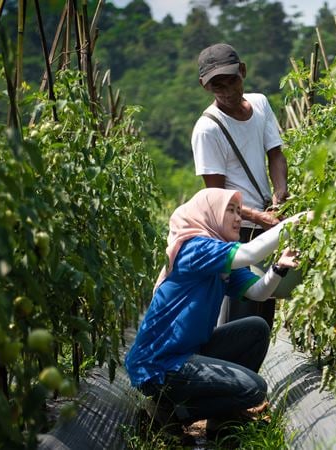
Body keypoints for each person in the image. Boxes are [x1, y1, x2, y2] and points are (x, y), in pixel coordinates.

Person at [124, 188, 309, 438]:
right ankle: (167, 413)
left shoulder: (220, 257)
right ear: (209, 214)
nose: (237, 218)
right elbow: (250, 253)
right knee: (254, 389)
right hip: (160, 365)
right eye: (230, 211)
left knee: (256, 329)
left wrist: (278, 268)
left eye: (238, 211)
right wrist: (293, 223)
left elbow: (258, 292)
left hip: (188, 353)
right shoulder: (195, 247)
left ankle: (220, 419)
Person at [191, 42, 288, 328]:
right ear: (204, 87)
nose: (227, 92)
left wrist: (279, 194)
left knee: (266, 305)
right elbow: (216, 198)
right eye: (217, 86)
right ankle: (236, 369)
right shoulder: (207, 129)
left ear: (243, 71)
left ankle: (250, 369)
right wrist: (259, 217)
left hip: (266, 222)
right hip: (236, 230)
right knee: (243, 310)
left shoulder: (259, 103)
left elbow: (276, 154)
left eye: (231, 81)